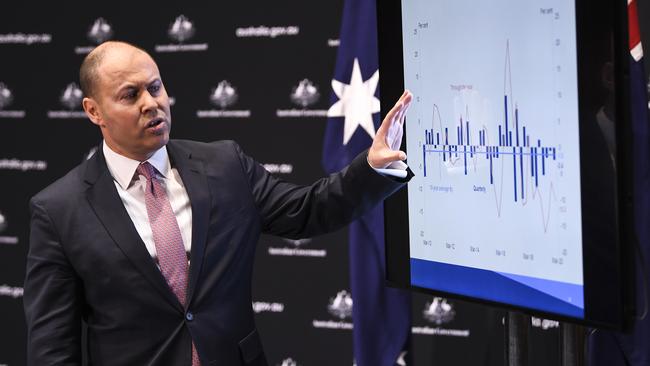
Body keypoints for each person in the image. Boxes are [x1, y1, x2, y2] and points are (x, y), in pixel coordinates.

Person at [23, 41, 413, 366]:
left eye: (155, 87)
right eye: (130, 95)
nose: (151, 104)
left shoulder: (225, 165)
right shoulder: (59, 210)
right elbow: (52, 348)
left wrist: (373, 168)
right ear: (94, 111)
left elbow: (308, 211)